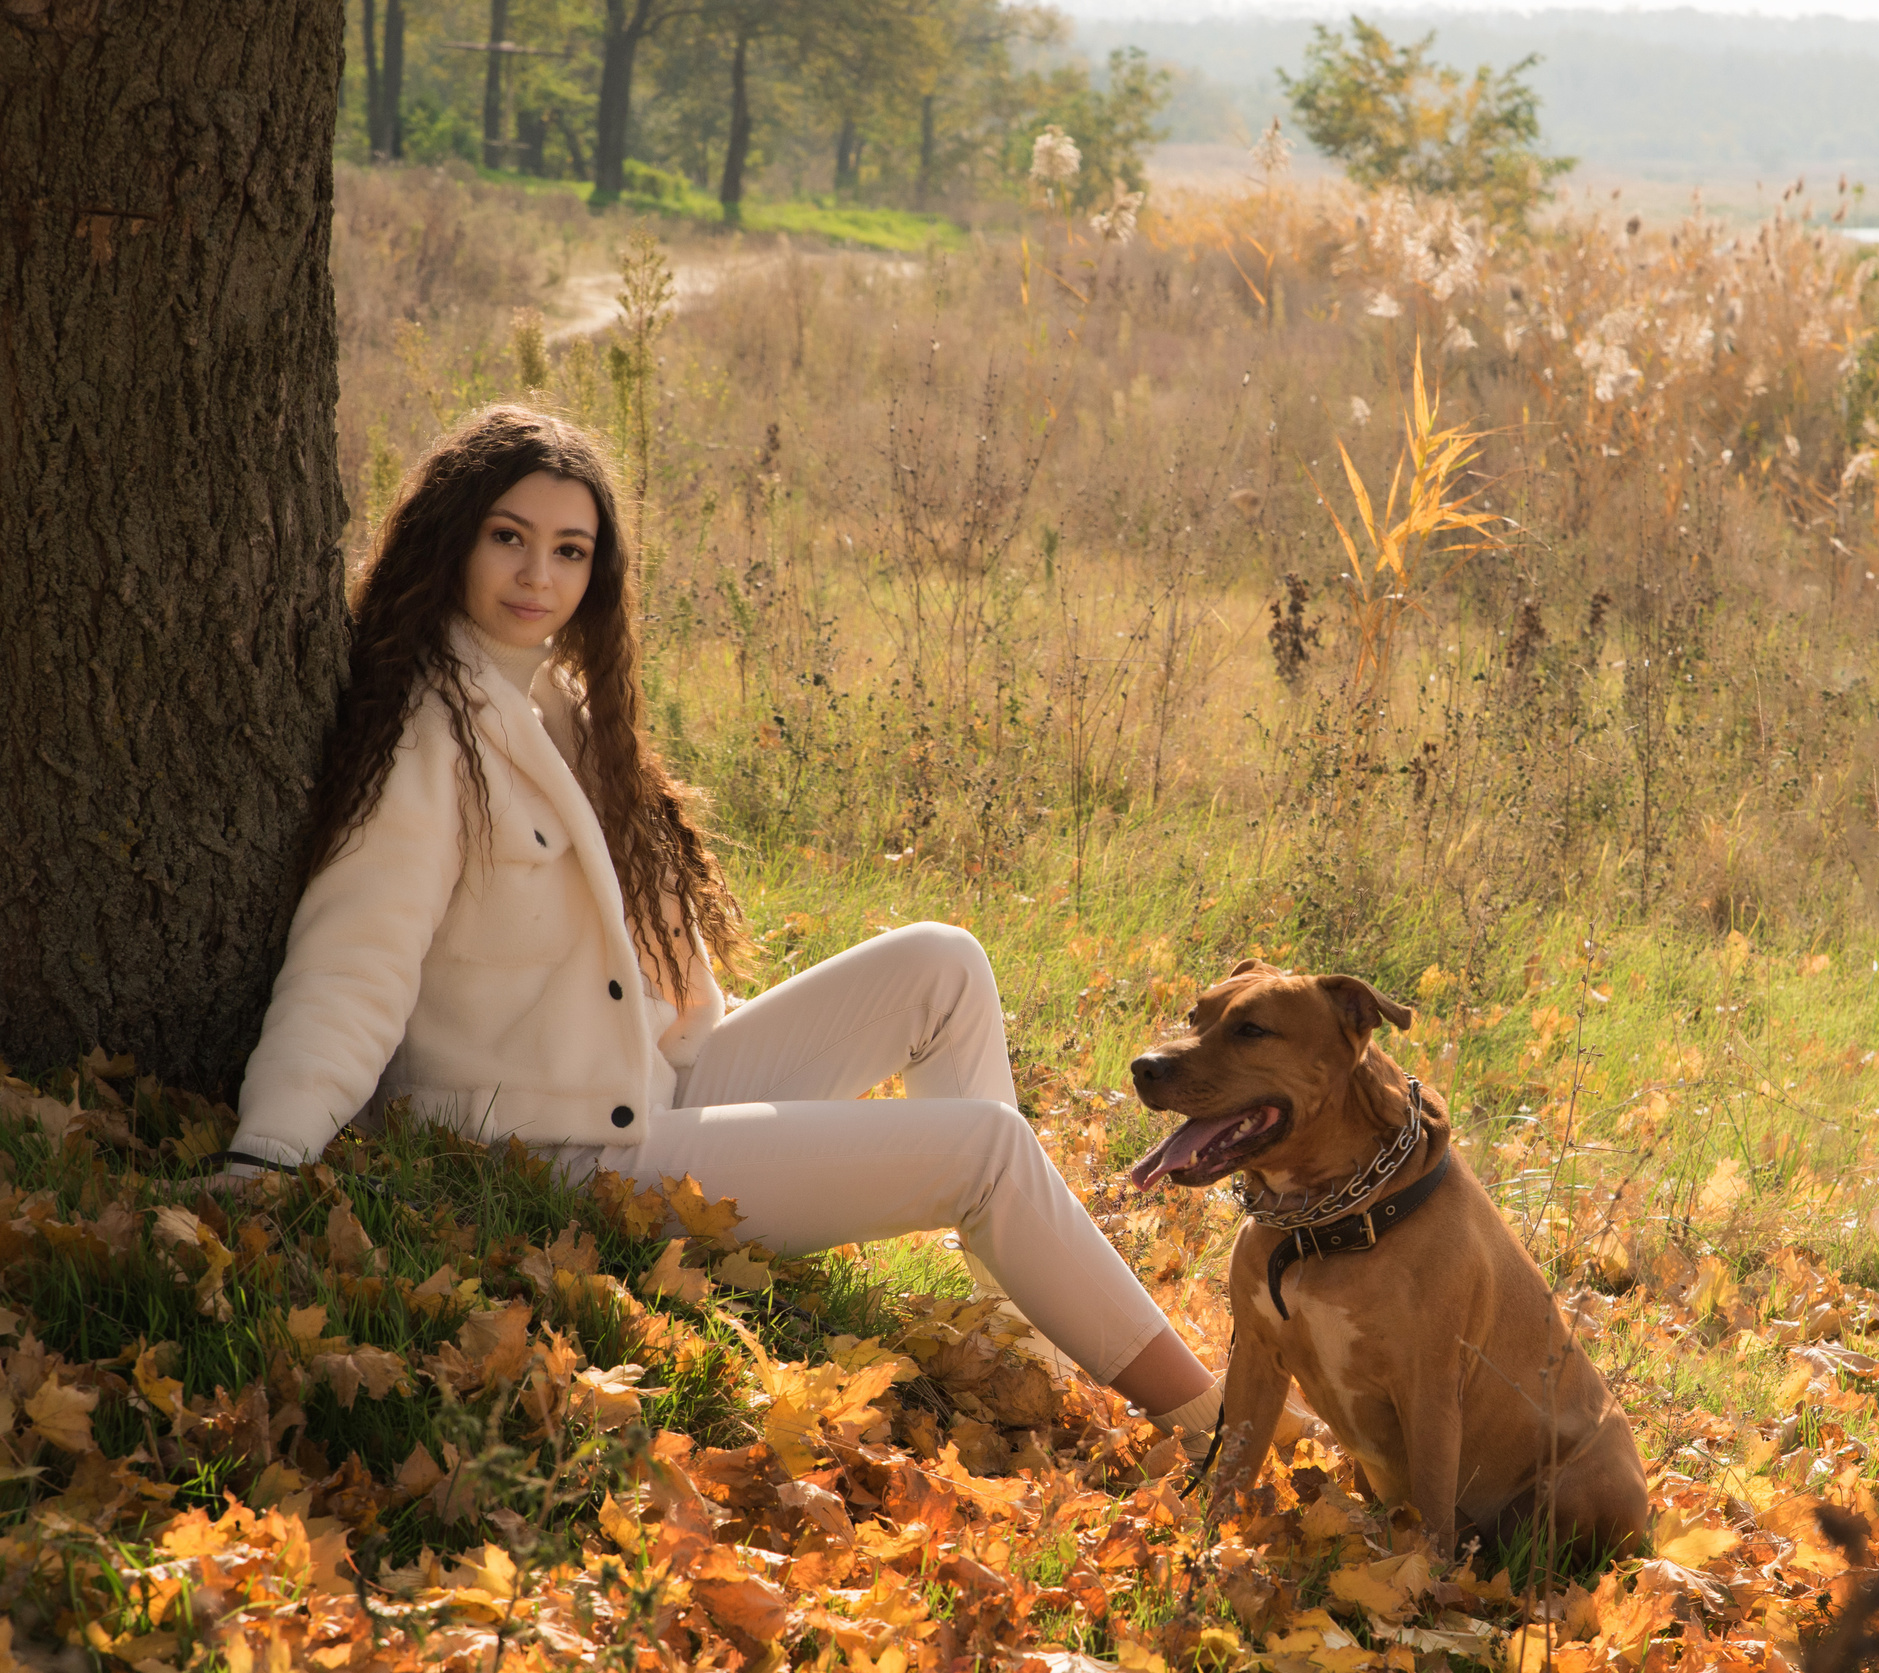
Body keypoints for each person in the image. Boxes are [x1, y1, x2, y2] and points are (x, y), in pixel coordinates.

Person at [229, 404, 1221, 1438]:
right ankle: (1216, 1421)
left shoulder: (559, 702)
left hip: (655, 1085)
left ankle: (1029, 1322)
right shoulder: (431, 738)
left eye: (569, 550)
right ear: (452, 540)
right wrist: (268, 1151)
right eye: (508, 537)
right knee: (986, 1150)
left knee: (944, 964)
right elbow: (355, 964)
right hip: (563, 1155)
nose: (537, 576)